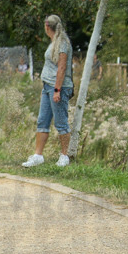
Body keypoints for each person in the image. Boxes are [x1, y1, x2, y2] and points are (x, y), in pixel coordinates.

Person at [22, 14, 74, 168]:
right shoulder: (54, 43)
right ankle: (38, 155)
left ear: (47, 27)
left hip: (58, 87)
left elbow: (62, 67)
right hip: (47, 87)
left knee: (61, 123)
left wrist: (57, 90)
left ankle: (64, 156)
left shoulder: (62, 43)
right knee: (42, 121)